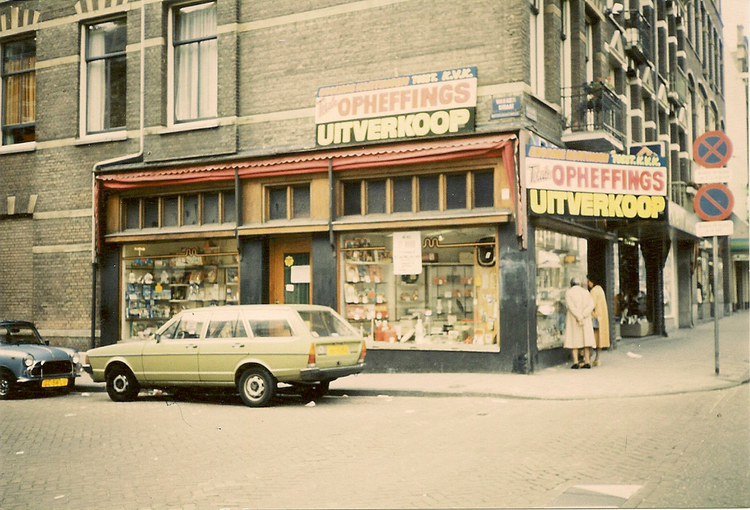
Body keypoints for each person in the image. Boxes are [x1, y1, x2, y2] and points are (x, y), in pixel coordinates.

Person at [564, 276, 596, 369]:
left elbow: (570, 306)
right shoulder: (586, 292)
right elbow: (591, 304)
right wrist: (583, 315)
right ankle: (587, 361)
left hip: (574, 319)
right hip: (585, 319)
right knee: (586, 340)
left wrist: (578, 316)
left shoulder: (569, 292)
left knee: (574, 340)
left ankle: (576, 362)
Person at [587, 275, 610, 366]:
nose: (588, 283)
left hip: (594, 317)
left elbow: (591, 304)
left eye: (588, 281)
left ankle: (588, 359)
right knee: (599, 340)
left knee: (592, 339)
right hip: (601, 318)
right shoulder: (600, 290)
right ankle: (597, 359)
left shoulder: (594, 291)